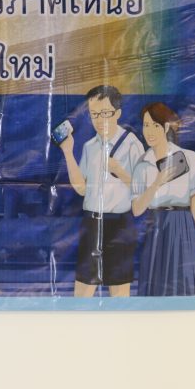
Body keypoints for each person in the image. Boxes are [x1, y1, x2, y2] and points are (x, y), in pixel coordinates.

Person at [58, 84, 145, 297]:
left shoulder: (132, 144)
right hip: (92, 223)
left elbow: (143, 189)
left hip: (119, 224)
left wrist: (120, 171)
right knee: (82, 293)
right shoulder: (90, 146)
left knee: (119, 293)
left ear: (118, 113)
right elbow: (82, 189)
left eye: (105, 113)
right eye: (94, 114)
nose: (99, 120)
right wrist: (68, 152)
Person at [131, 102, 195, 295]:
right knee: (155, 286)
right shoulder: (142, 165)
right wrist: (157, 182)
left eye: (155, 125)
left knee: (184, 287)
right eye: (146, 125)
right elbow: (137, 209)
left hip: (183, 227)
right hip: (155, 228)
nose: (149, 131)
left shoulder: (189, 158)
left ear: (165, 128)